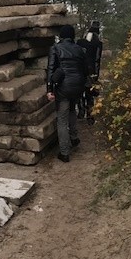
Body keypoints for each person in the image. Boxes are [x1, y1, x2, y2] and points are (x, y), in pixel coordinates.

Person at [46, 24, 89, 162]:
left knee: (62, 119)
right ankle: (74, 138)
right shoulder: (80, 49)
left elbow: (51, 69)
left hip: (63, 88)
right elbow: (85, 70)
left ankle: (64, 152)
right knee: (72, 110)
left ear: (61, 36)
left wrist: (49, 90)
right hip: (77, 86)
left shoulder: (55, 48)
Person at [76, 22, 103, 122]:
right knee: (90, 94)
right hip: (91, 72)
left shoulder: (79, 42)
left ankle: (81, 111)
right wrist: (96, 76)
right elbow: (97, 60)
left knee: (79, 92)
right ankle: (90, 115)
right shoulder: (98, 44)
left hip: (79, 71)